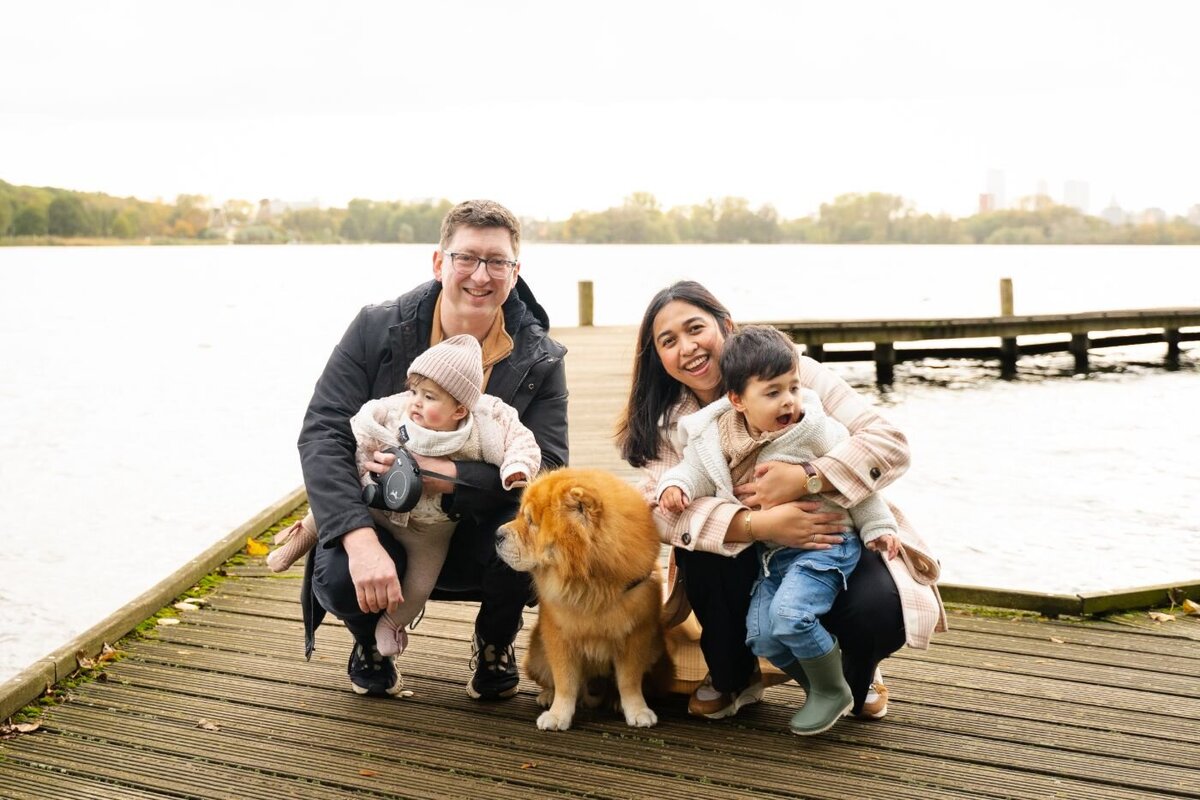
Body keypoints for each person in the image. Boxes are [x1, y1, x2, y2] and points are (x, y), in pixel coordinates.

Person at [617, 281, 944, 722]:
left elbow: (889, 443)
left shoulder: (795, 376)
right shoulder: (669, 420)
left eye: (696, 328)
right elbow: (660, 510)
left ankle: (857, 672)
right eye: (668, 341)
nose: (688, 348)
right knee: (705, 555)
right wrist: (757, 525)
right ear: (659, 357)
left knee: (880, 607)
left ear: (726, 326)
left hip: (827, 533)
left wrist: (810, 477)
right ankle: (734, 676)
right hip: (743, 554)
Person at [297, 199, 568, 699]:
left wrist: (437, 473)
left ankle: (495, 639)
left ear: (515, 271)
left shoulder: (540, 358)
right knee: (335, 574)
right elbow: (323, 431)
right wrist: (358, 539)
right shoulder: (376, 329)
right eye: (466, 258)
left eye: (497, 262)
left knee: (535, 544)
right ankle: (369, 642)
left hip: (479, 526)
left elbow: (549, 467)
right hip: (387, 521)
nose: (481, 276)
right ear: (439, 262)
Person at [656, 325, 901, 735]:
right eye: (773, 393)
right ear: (737, 400)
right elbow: (693, 470)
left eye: (792, 388)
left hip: (826, 545)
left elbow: (859, 483)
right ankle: (831, 684)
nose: (789, 401)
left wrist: (876, 524)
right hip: (775, 556)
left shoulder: (815, 428)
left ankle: (831, 688)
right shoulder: (714, 434)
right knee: (763, 637)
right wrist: (675, 486)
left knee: (790, 616)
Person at [272, 334, 541, 670]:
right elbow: (357, 430)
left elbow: (524, 445)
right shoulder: (398, 413)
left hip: (430, 528)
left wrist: (515, 470)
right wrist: (364, 462)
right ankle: (292, 546)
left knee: (419, 579)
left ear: (459, 408)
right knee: (328, 510)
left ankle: (392, 625)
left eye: (429, 397)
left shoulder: (482, 428)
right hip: (378, 502)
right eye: (415, 391)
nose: (416, 401)